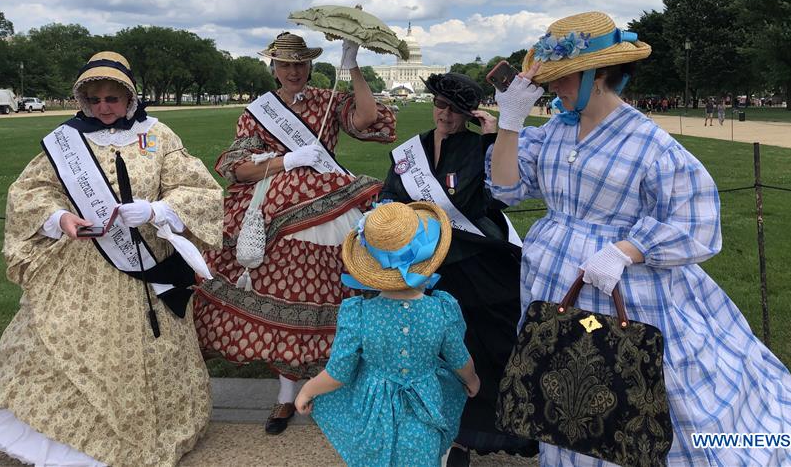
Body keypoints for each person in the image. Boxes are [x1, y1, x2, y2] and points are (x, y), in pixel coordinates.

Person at [488, 11, 791, 467]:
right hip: (551, 281)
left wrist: (626, 249)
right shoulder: (554, 131)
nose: (554, 88)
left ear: (597, 76)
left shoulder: (648, 141)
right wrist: (511, 123)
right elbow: (505, 187)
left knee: (630, 384)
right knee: (561, 386)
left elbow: (696, 220)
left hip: (621, 288)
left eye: (563, 78)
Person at [0, 51, 223, 467]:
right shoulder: (65, 140)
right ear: (82, 100)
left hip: (148, 265)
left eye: (112, 98)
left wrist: (155, 210)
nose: (104, 107)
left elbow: (199, 190)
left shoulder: (159, 136)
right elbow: (30, 193)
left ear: (129, 97)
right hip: (80, 266)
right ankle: (61, 439)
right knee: (60, 341)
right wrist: (60, 218)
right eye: (94, 100)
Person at [193, 32, 397, 435]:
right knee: (288, 297)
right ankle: (286, 397)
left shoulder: (327, 99)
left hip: (332, 209)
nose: (293, 71)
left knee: (338, 295)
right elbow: (238, 169)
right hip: (275, 214)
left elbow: (369, 119)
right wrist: (288, 160)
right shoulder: (257, 112)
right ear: (273, 68)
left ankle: (336, 387)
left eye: (300, 64)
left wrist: (352, 64)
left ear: (310, 66)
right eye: (285, 64)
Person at [379, 72, 537, 465]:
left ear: (467, 114)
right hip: (423, 267)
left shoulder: (478, 147)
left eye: (454, 109)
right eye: (440, 105)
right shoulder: (409, 153)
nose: (444, 114)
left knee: (482, 348)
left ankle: (486, 430)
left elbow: (498, 197)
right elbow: (389, 194)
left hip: (474, 264)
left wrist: (493, 138)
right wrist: (385, 212)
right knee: (429, 354)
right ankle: (441, 434)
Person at [295, 201, 480, 467]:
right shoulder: (441, 310)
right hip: (425, 408)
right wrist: (472, 380)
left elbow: (338, 373)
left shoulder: (358, 314)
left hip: (374, 413)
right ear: (428, 262)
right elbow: (459, 359)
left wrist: (307, 390)